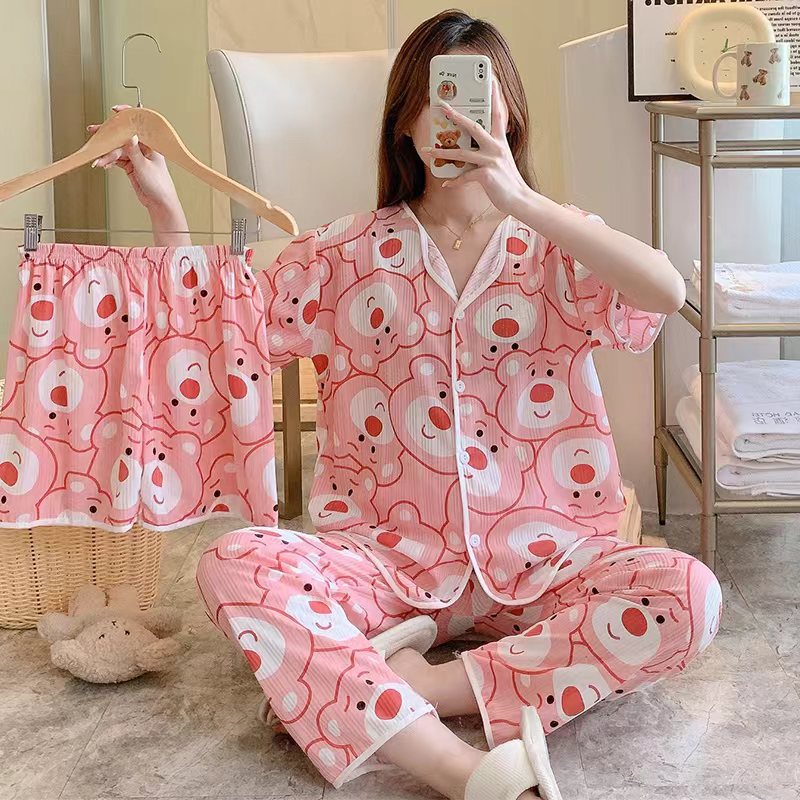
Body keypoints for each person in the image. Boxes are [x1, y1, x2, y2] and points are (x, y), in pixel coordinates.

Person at [88, 10, 722, 800]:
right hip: (385, 564)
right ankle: (458, 770)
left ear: (509, 113)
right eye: (436, 98)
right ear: (406, 124)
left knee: (689, 595)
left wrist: (523, 201)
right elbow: (216, 331)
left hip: (547, 557)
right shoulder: (344, 254)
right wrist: (168, 215)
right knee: (233, 563)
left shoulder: (560, 243)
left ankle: (412, 687)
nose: (457, 117)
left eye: (477, 94)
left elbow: (664, 290)